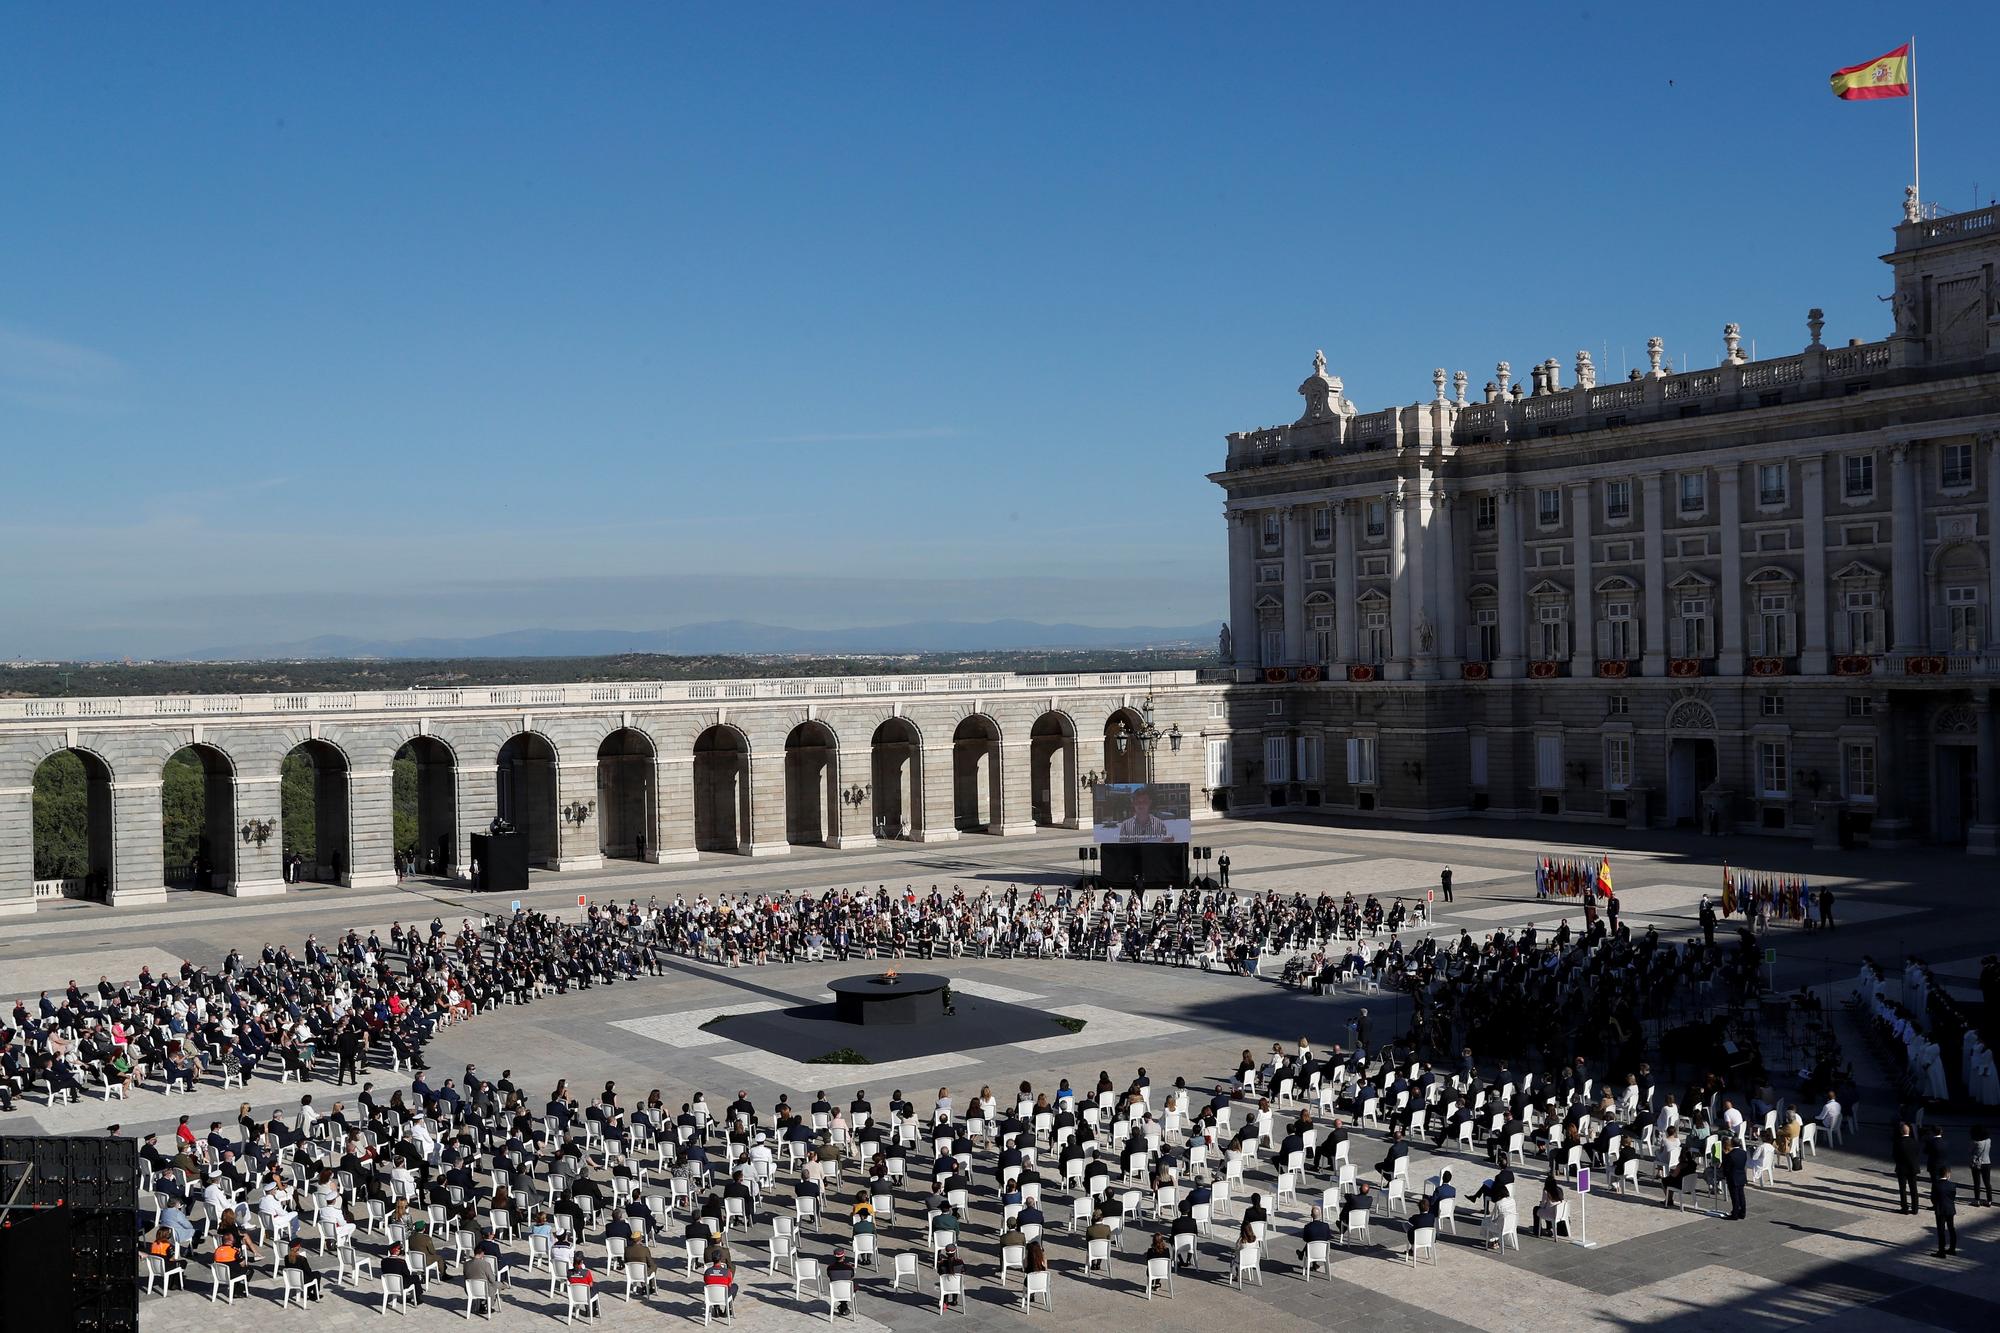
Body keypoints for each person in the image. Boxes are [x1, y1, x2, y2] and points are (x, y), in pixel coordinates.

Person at [1893, 1121, 1923, 1214]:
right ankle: (1915, 1209)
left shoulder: (1898, 1143)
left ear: (1901, 1132)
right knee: (1914, 1188)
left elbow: (1894, 1155)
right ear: (1909, 1132)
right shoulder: (1914, 1142)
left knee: (1903, 1189)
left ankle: (1904, 1208)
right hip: (1913, 1168)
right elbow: (1917, 1154)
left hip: (1902, 1168)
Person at [1932, 1170, 1960, 1257]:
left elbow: (1933, 1198)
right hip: (1950, 1209)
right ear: (1947, 1175)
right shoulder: (1952, 1185)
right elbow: (1953, 1197)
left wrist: (1936, 1205)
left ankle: (1941, 1251)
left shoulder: (1936, 1185)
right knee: (1951, 1228)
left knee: (1941, 1230)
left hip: (1940, 1209)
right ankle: (1952, 1249)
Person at [1722, 1137, 1749, 1221]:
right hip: (1741, 1176)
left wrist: (1725, 1175)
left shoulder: (1730, 1155)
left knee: (1735, 1197)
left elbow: (1726, 1168)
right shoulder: (1744, 1153)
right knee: (1741, 1195)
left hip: (1733, 1178)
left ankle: (1735, 1214)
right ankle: (1742, 1212)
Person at [1971, 1125, 1993, 1207]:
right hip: (1987, 1162)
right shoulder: (1989, 1140)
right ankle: (1989, 1200)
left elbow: (1972, 1152)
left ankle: (1977, 1200)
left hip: (1977, 1164)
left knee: (1977, 1183)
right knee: (1987, 1183)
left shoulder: (1975, 1142)